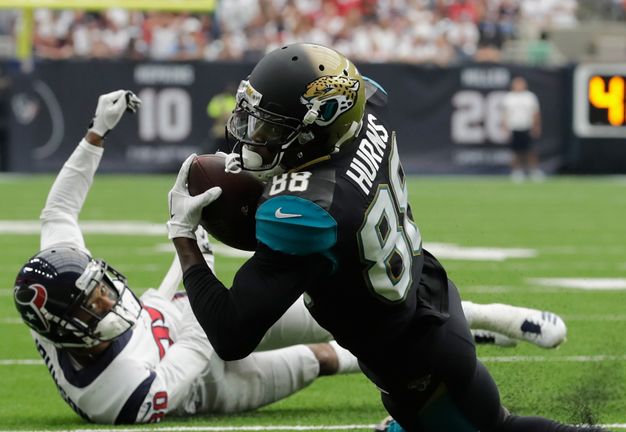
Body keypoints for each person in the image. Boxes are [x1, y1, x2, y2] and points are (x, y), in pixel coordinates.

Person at [13, 90, 567, 425]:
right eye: (93, 302)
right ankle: (457, 353)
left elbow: (57, 212)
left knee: (324, 313)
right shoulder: (114, 398)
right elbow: (209, 345)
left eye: (99, 287)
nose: (107, 296)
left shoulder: (59, 293)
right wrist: (187, 251)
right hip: (210, 380)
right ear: (66, 330)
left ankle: (486, 316)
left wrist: (95, 134)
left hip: (175, 318)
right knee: (323, 355)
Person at [168, 43, 595, 432]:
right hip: (429, 297)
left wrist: (184, 237)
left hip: (415, 362)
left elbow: (230, 336)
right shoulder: (365, 121)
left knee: (497, 429)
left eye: (271, 127)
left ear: (317, 126)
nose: (253, 136)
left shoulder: (304, 212)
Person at [501, 76, 543, 182]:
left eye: (521, 84)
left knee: (530, 150)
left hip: (527, 127)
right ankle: (517, 172)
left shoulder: (530, 97)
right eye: (517, 84)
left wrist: (536, 126)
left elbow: (535, 113)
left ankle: (534, 171)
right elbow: (505, 114)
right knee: (516, 151)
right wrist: (505, 127)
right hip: (514, 127)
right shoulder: (509, 97)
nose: (519, 86)